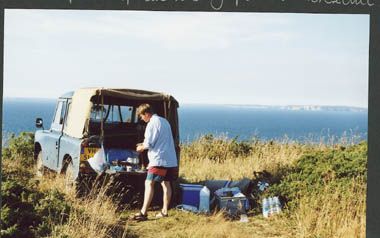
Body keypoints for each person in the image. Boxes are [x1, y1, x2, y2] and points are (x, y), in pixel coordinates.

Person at [133, 103, 178, 221]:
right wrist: (144, 144)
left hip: (159, 159)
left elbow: (149, 144)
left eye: (141, 116)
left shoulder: (151, 123)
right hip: (170, 159)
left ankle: (143, 213)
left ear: (146, 114)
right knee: (166, 184)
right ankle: (164, 211)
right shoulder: (164, 121)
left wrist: (140, 147)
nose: (142, 119)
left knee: (149, 183)